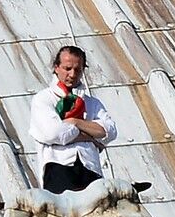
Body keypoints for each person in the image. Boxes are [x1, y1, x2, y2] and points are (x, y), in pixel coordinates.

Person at [29, 45, 117, 194]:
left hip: (90, 168)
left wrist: (75, 122)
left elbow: (110, 131)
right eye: (67, 68)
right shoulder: (43, 99)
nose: (72, 74)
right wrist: (90, 137)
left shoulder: (91, 103)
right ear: (56, 67)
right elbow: (54, 134)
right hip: (58, 167)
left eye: (78, 69)